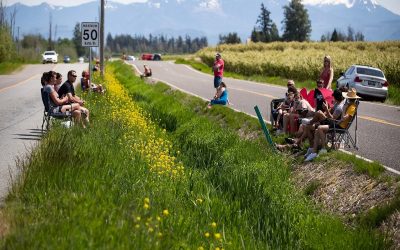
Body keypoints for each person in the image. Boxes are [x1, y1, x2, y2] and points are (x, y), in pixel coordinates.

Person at [305, 88, 360, 161]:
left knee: (319, 128)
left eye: (347, 98)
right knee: (317, 129)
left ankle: (323, 149)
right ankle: (314, 151)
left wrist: (344, 109)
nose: (346, 99)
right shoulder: (348, 105)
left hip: (340, 126)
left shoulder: (352, 107)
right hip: (337, 123)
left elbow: (344, 118)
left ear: (349, 98)